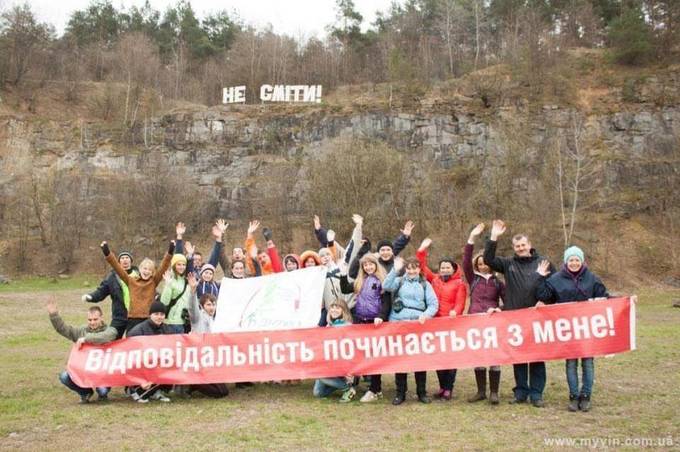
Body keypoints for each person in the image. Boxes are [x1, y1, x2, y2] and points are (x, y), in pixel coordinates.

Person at [483, 219, 555, 407]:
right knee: (519, 357)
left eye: (523, 245)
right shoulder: (508, 264)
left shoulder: (544, 263)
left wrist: (546, 301)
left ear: (529, 245)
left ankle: (536, 394)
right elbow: (488, 260)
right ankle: (521, 392)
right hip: (515, 318)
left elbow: (555, 287)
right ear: (514, 248)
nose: (521, 248)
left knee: (537, 358)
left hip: (537, 318)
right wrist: (494, 237)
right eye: (517, 246)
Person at [535, 245, 609, 412]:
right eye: (571, 260)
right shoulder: (556, 279)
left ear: (582, 261)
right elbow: (543, 296)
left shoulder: (592, 278)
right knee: (571, 364)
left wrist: (626, 300)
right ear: (566, 261)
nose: (574, 263)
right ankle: (574, 396)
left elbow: (604, 298)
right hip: (567, 330)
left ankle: (586, 396)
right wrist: (540, 278)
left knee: (588, 363)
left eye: (577, 260)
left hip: (587, 328)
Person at [382, 257, 439, 405]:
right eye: (409, 268)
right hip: (399, 323)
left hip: (417, 325)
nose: (412, 271)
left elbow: (433, 304)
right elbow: (386, 286)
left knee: (419, 360)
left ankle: (422, 392)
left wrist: (425, 315)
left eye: (414, 268)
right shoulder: (399, 281)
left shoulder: (425, 284)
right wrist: (395, 269)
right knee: (400, 360)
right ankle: (400, 393)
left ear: (419, 269)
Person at [416, 237, 467, 401]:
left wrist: (455, 313)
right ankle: (442, 387)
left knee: (450, 358)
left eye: (447, 267)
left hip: (451, 324)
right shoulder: (435, 280)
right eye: (442, 267)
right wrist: (421, 251)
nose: (445, 269)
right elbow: (422, 267)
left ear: (453, 269)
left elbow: (460, 302)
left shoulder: (459, 283)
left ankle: (449, 388)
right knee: (438, 356)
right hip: (435, 324)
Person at [338, 254, 391, 402]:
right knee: (361, 354)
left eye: (370, 264)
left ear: (376, 265)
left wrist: (381, 315)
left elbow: (386, 301)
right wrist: (343, 273)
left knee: (374, 357)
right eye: (365, 265)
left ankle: (375, 389)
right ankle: (370, 388)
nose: (368, 267)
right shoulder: (361, 281)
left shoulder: (382, 281)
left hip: (375, 323)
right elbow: (345, 288)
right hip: (360, 321)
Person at [463, 223, 505, 404]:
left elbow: (508, 301)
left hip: (492, 322)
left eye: (486, 263)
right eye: (480, 264)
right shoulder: (473, 279)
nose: (483, 266)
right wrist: (472, 238)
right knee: (478, 356)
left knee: (494, 356)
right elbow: (465, 260)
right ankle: (481, 391)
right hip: (474, 322)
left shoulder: (498, 282)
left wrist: (499, 309)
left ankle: (494, 393)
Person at [47, 298, 117, 403]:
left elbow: (106, 336)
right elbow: (64, 329)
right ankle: (85, 392)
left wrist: (85, 339)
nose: (92, 322)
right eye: (90, 320)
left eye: (95, 319)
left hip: (102, 372)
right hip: (84, 370)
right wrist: (54, 315)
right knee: (64, 377)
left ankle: (102, 393)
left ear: (101, 318)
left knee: (102, 391)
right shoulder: (81, 331)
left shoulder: (110, 331)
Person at [101, 240, 174, 333]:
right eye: (145, 268)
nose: (147, 271)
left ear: (152, 272)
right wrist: (107, 253)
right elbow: (117, 267)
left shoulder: (153, 281)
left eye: (150, 270)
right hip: (133, 319)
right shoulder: (131, 280)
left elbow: (163, 266)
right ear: (140, 268)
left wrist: (170, 251)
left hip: (148, 319)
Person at [183, 276, 230, 398]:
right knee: (221, 393)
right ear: (203, 306)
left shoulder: (214, 320)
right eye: (209, 305)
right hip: (199, 359)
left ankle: (195, 385)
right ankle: (195, 384)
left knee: (224, 391)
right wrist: (192, 291)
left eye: (213, 304)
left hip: (210, 360)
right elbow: (192, 308)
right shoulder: (198, 318)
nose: (212, 307)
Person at [127, 299, 175, 403]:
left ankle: (156, 391)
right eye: (156, 314)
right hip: (142, 365)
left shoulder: (167, 329)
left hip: (158, 364)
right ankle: (135, 390)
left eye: (162, 314)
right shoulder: (138, 330)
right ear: (150, 315)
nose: (159, 317)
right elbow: (130, 352)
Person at [82, 250, 138, 339]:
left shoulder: (139, 275)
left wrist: (156, 296)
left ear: (131, 261)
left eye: (127, 258)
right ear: (119, 262)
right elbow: (101, 291)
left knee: (134, 341)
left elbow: (148, 288)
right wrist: (91, 297)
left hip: (136, 316)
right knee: (111, 339)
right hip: (119, 317)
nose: (125, 260)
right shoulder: (112, 277)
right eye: (122, 258)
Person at [312, 299, 356, 402]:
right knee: (318, 393)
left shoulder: (348, 327)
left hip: (342, 366)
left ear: (343, 310)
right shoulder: (329, 325)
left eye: (338, 307)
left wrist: (350, 371)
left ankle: (348, 388)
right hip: (329, 365)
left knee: (321, 375)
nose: (334, 310)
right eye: (332, 307)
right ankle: (341, 384)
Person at [160, 252, 193, 334]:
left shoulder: (186, 280)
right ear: (174, 265)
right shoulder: (170, 280)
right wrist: (168, 285)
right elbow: (164, 301)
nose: (181, 267)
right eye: (179, 264)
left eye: (183, 265)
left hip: (184, 321)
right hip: (171, 323)